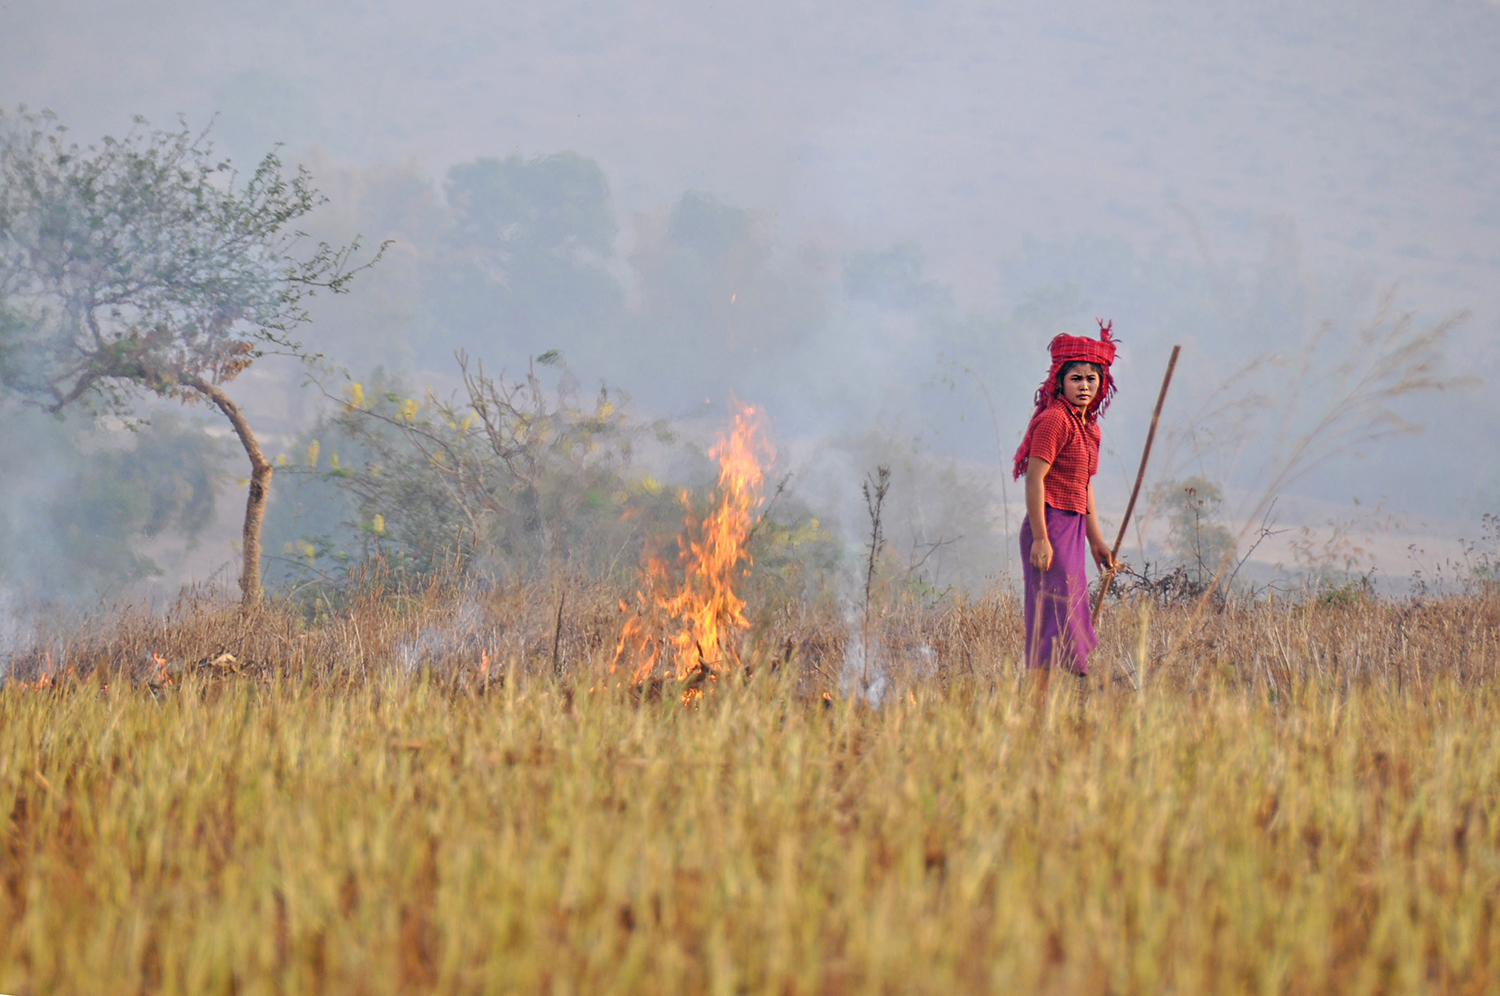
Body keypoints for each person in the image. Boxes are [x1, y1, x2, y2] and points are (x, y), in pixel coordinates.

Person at [1011, 320, 1119, 677]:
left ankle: (1067, 686)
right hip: (1050, 523)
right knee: (1055, 610)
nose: (1084, 386)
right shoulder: (1055, 420)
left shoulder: (1089, 427)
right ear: (1060, 381)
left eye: (1091, 378)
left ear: (1101, 383)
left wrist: (1097, 541)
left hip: (1073, 527)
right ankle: (1052, 688)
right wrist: (1041, 538)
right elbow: (1034, 478)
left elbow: (1083, 486)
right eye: (1076, 378)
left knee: (1072, 605)